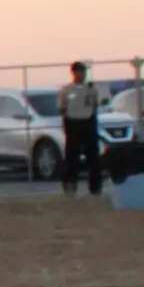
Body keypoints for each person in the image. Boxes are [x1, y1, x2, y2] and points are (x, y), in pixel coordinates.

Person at [57, 63, 105, 196]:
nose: (82, 74)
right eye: (79, 71)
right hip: (72, 122)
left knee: (92, 155)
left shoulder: (91, 89)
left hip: (88, 121)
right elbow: (62, 108)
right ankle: (70, 184)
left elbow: (95, 105)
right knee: (72, 155)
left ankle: (95, 187)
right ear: (74, 73)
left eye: (83, 72)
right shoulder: (66, 90)